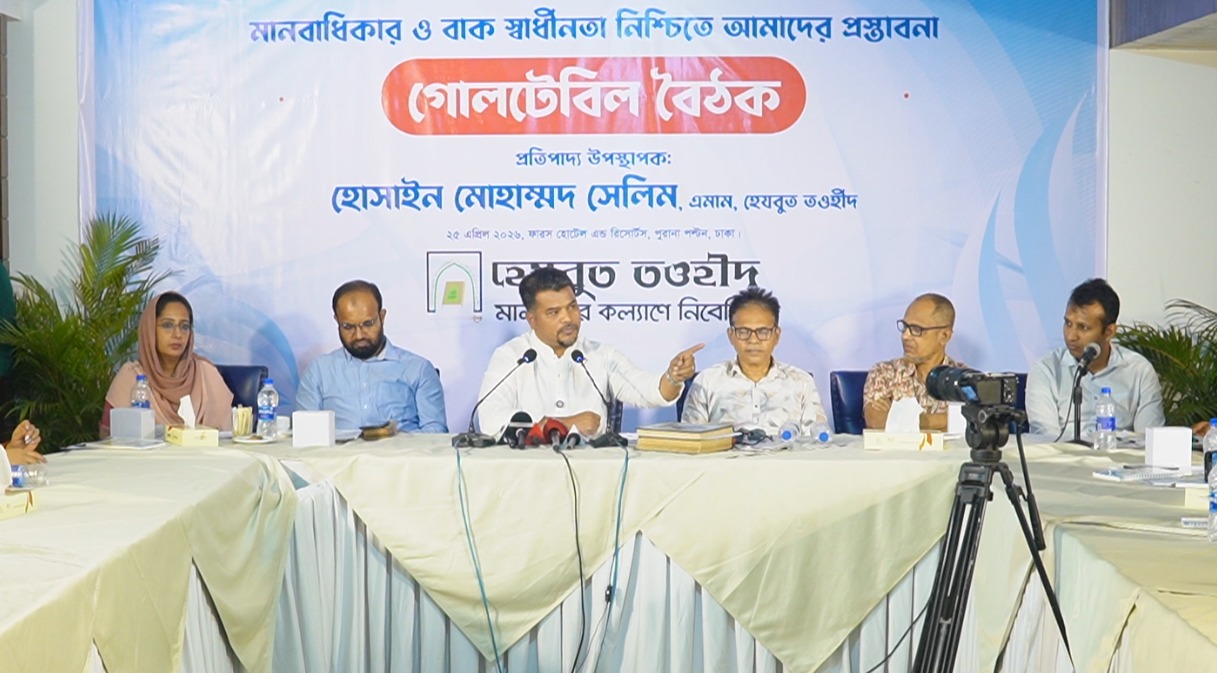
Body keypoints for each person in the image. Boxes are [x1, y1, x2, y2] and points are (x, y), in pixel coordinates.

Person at [477, 267, 701, 437]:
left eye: (572, 307)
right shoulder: (512, 356)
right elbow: (490, 419)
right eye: (554, 312)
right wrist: (562, 424)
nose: (568, 318)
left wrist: (673, 377)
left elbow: (649, 392)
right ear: (532, 320)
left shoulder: (601, 355)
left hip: (593, 474)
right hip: (529, 473)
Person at [297, 280, 447, 432]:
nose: (359, 335)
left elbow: (435, 434)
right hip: (339, 448)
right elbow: (306, 433)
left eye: (368, 324)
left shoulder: (417, 369)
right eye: (348, 327)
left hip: (403, 447)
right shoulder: (319, 372)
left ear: (382, 317)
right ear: (337, 321)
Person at [1026, 278, 1164, 436]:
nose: (1071, 336)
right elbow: (1046, 439)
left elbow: (1149, 438)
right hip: (1063, 451)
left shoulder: (1139, 371)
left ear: (1109, 332)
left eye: (1083, 327)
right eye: (1068, 324)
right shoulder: (1046, 370)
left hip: (1120, 451)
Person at [681, 287, 826, 435]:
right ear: (731, 335)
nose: (753, 340)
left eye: (763, 332)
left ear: (776, 335)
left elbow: (816, 440)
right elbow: (691, 441)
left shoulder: (801, 382)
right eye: (744, 332)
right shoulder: (707, 382)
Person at [102, 292, 233, 435]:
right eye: (168, 325)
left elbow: (227, 437)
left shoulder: (206, 373)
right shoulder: (131, 377)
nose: (178, 334)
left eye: (184, 326)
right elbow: (109, 438)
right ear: (150, 329)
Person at [864, 293, 965, 431]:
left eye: (917, 329)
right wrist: (946, 420)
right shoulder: (884, 373)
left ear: (944, 336)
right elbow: (877, 422)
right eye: (905, 326)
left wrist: (898, 419)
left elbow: (973, 423)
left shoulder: (963, 380)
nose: (905, 336)